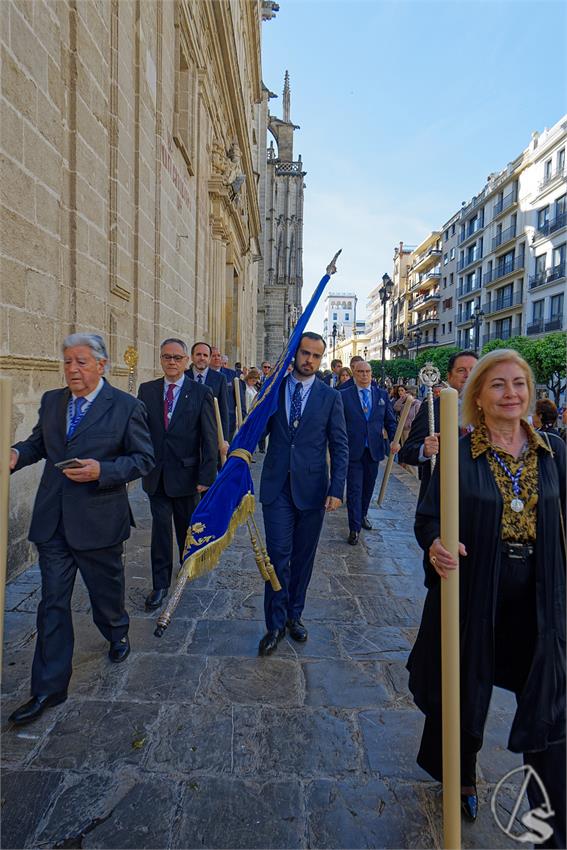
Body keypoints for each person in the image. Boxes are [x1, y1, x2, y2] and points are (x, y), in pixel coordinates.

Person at [408, 349, 566, 843]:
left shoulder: (555, 450)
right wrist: (435, 543)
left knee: (551, 705)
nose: (511, 393)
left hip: (539, 599)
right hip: (476, 595)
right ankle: (462, 774)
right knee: (464, 693)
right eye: (498, 384)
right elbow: (428, 518)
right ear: (477, 395)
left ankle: (551, 816)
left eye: (519, 383)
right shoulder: (458, 454)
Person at [8, 333, 155, 725]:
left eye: (81, 362)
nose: (72, 369)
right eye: (68, 362)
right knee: (52, 603)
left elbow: (143, 459)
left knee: (105, 594)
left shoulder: (125, 407)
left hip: (99, 523)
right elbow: (40, 443)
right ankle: (48, 689)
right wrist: (16, 454)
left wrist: (102, 471)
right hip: (54, 521)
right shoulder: (54, 401)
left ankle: (116, 631)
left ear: (102, 365)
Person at [258, 332, 348, 655]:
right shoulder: (275, 388)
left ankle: (295, 614)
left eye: (316, 356)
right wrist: (235, 444)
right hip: (276, 487)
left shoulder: (330, 397)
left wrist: (337, 489)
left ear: (321, 360)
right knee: (277, 557)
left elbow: (340, 445)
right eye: (305, 353)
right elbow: (258, 427)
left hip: (312, 490)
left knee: (302, 559)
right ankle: (275, 623)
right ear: (295, 354)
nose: (309, 360)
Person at [138, 339, 218, 611]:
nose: (171, 362)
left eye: (177, 358)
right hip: (156, 475)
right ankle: (160, 584)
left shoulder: (200, 392)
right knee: (160, 530)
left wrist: (207, 476)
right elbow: (140, 432)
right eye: (166, 357)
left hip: (187, 476)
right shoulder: (147, 390)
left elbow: (208, 438)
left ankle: (187, 568)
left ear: (186, 361)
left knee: (186, 529)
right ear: (161, 360)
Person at [398, 351, 478, 504]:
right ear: (449, 376)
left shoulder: (492, 410)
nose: (468, 375)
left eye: (473, 370)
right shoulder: (432, 409)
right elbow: (407, 452)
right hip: (441, 499)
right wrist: (425, 450)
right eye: (461, 370)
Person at [341, 361, 398, 545]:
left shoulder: (381, 395)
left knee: (368, 488)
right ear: (354, 374)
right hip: (353, 451)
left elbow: (390, 420)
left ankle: (363, 514)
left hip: (374, 450)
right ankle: (354, 528)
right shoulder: (343, 395)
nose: (365, 375)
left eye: (368, 371)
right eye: (361, 372)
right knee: (354, 490)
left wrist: (394, 439)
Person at [185, 342, 229, 457]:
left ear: (209, 358)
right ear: (192, 357)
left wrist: (223, 439)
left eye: (205, 355)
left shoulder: (220, 379)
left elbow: (223, 410)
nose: (202, 358)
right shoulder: (183, 376)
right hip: (186, 434)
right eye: (198, 354)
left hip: (210, 434)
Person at [211, 346, 246, 441]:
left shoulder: (232, 375)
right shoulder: (204, 375)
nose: (217, 358)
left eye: (219, 355)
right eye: (213, 356)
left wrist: (243, 419)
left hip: (228, 420)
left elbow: (240, 399)